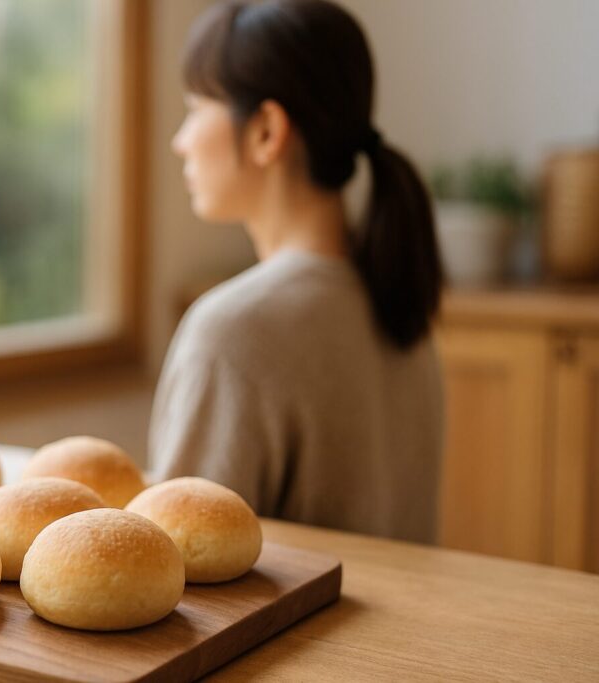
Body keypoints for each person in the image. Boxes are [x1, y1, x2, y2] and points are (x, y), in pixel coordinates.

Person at [148, 0, 444, 543]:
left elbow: (175, 563)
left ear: (265, 131)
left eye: (196, 107)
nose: (180, 140)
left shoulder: (232, 330)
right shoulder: (399, 301)